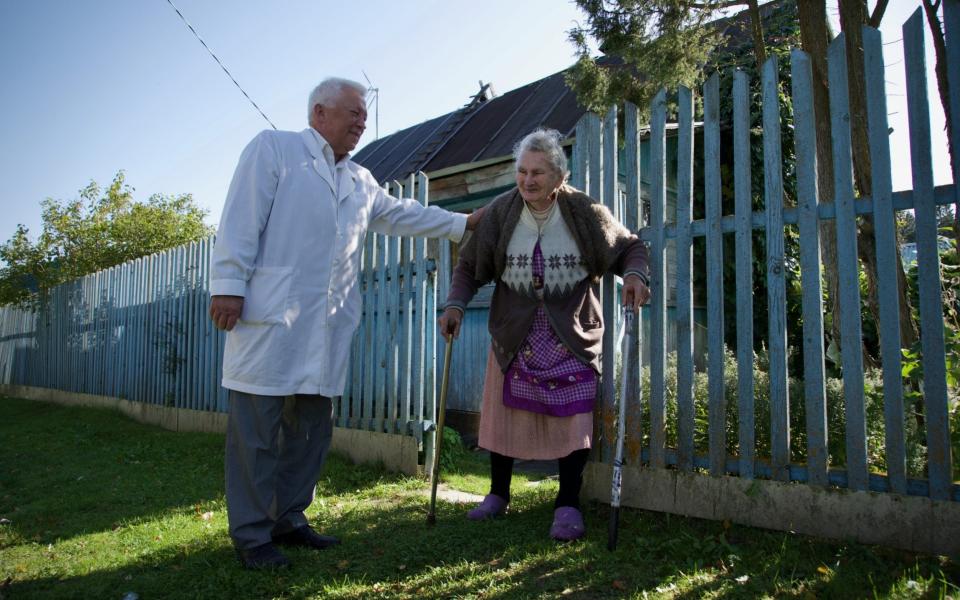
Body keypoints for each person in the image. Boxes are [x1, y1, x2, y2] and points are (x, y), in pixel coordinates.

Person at [209, 77, 483, 569]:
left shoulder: (360, 179)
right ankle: (252, 536)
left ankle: (290, 517)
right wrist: (228, 284)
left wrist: (463, 223)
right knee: (257, 432)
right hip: (269, 316)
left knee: (313, 429)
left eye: (363, 115)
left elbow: (403, 215)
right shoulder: (275, 150)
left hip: (327, 324)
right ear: (319, 113)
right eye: (353, 113)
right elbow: (239, 219)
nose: (361, 122)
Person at [438, 128, 649, 542]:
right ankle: (498, 494)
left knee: (573, 419)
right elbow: (468, 267)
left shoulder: (584, 212)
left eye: (537, 172)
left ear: (558, 176)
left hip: (570, 330)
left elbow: (629, 247)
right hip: (515, 330)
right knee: (503, 417)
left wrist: (636, 275)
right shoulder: (501, 212)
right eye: (522, 171)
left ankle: (567, 503)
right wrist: (455, 304)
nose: (528, 180)